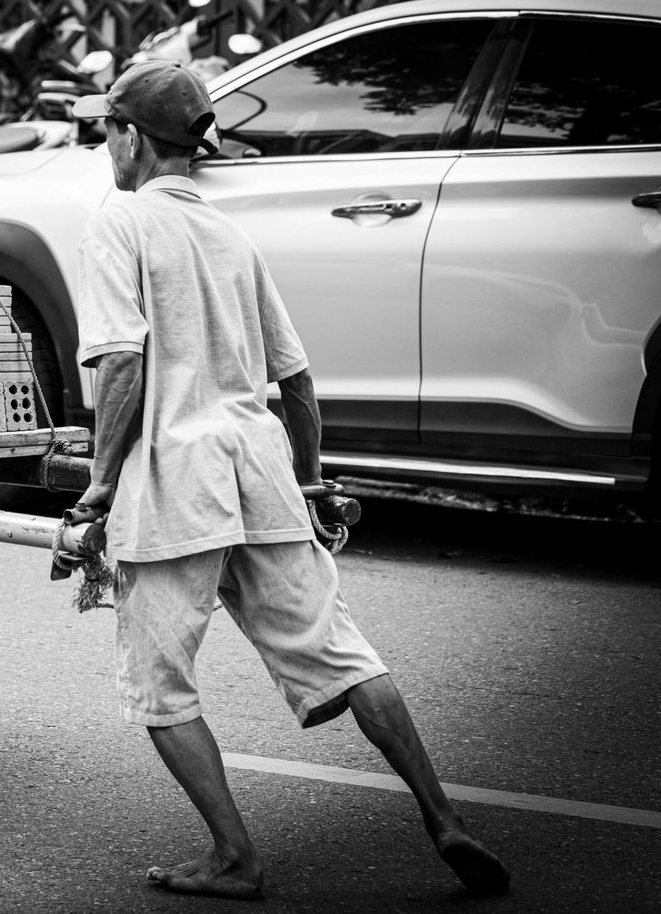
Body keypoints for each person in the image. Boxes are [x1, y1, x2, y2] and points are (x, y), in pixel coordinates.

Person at [68, 60, 510, 900]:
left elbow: (122, 362)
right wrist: (305, 480)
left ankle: (236, 854)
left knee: (160, 685)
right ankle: (444, 817)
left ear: (131, 138)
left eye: (107, 133)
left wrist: (98, 483)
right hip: (259, 468)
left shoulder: (119, 223)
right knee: (343, 654)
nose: (105, 149)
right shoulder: (231, 235)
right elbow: (298, 382)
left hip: (175, 484)